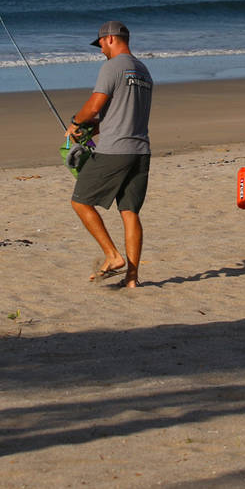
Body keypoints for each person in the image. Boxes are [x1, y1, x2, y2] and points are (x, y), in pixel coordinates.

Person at [65, 20, 153, 288]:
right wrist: (93, 129)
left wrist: (76, 124)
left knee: (80, 201)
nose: (100, 49)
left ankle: (113, 256)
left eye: (101, 43)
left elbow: (94, 106)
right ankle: (132, 279)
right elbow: (120, 113)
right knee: (129, 212)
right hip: (140, 150)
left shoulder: (112, 66)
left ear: (111, 39)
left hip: (116, 149)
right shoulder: (143, 70)